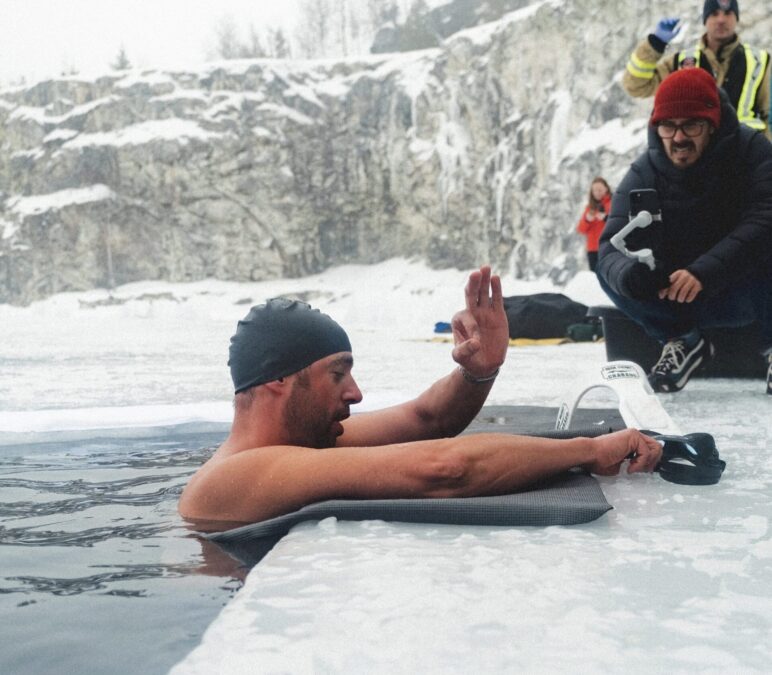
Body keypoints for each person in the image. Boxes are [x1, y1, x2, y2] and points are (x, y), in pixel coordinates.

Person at [179, 267, 662, 525]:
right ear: (279, 380)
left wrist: (479, 372)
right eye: (337, 374)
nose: (355, 392)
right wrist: (591, 450)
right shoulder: (238, 474)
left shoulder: (296, 447)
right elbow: (444, 468)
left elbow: (429, 420)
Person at [596, 67, 772, 394]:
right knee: (612, 276)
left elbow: (766, 218)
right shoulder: (644, 171)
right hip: (681, 297)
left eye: (691, 125)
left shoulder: (754, 152)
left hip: (753, 292)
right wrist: (631, 276)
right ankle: (683, 340)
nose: (678, 138)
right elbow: (609, 248)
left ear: (712, 125)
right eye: (668, 126)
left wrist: (704, 271)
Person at [622, 0, 770, 138]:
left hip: (745, 156)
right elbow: (636, 85)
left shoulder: (761, 62)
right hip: (694, 157)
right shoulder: (681, 63)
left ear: (736, 18)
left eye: (728, 13)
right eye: (714, 14)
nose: (721, 19)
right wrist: (655, 44)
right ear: (705, 19)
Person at [576, 177, 612, 272]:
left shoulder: (612, 203)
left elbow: (618, 223)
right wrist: (587, 220)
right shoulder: (590, 207)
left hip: (608, 247)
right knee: (595, 277)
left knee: (609, 275)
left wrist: (605, 218)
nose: (597, 192)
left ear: (606, 189)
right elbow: (580, 229)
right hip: (593, 249)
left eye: (600, 190)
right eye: (594, 190)